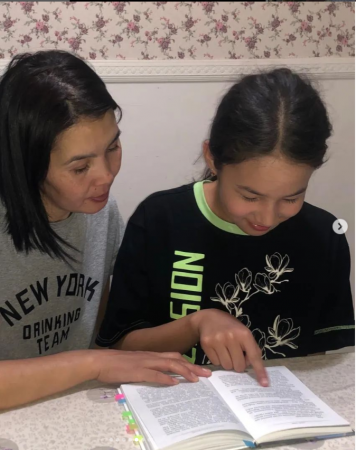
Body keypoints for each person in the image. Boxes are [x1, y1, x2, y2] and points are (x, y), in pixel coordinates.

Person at [0, 50, 209, 426]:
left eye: (113, 147)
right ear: (27, 165)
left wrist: (193, 326)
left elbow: (105, 335)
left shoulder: (100, 213)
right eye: (80, 167)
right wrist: (91, 364)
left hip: (69, 416)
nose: (106, 175)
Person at [96, 68, 355, 387]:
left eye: (291, 197)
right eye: (250, 196)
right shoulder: (161, 220)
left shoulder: (324, 237)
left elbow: (323, 360)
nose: (267, 217)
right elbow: (119, 346)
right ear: (212, 158)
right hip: (180, 400)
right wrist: (195, 325)